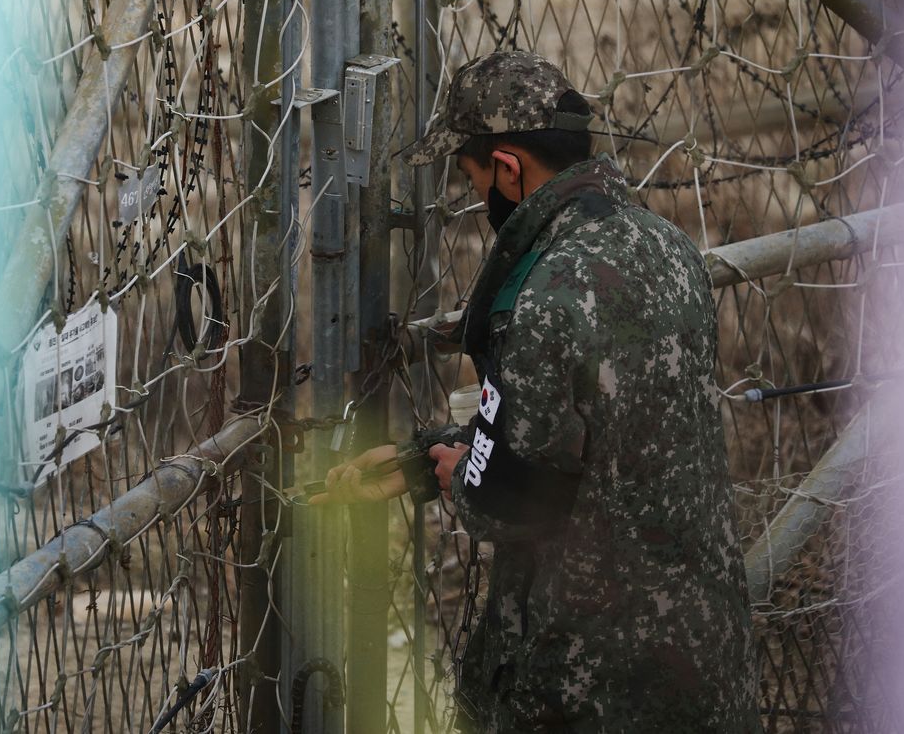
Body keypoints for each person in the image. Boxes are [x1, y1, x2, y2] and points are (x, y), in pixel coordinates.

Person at [313, 50, 759, 732]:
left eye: (474, 177)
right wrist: (426, 458)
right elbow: (600, 429)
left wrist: (463, 478)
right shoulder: (666, 247)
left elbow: (512, 501)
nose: (477, 196)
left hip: (589, 684)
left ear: (510, 170)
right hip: (701, 660)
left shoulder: (544, 293)